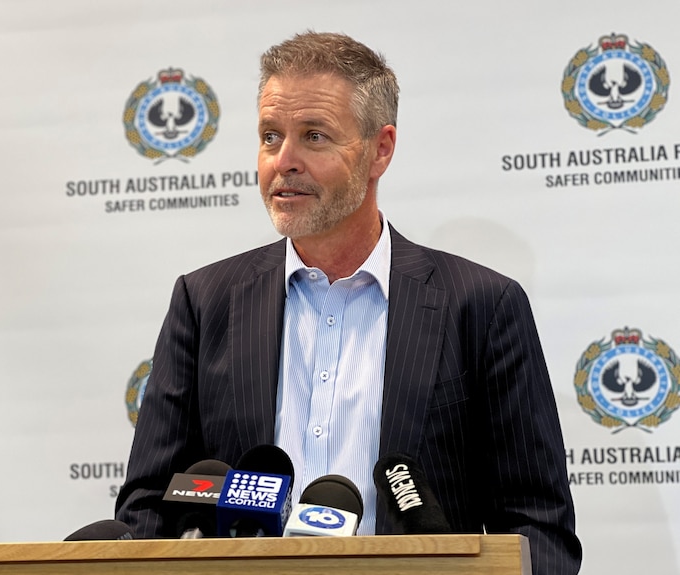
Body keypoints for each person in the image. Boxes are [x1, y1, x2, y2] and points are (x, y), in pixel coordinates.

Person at [116, 31, 582, 574]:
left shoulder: (481, 306)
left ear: (380, 149)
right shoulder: (204, 302)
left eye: (314, 136)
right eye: (270, 137)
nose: (283, 161)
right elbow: (146, 508)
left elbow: (538, 527)